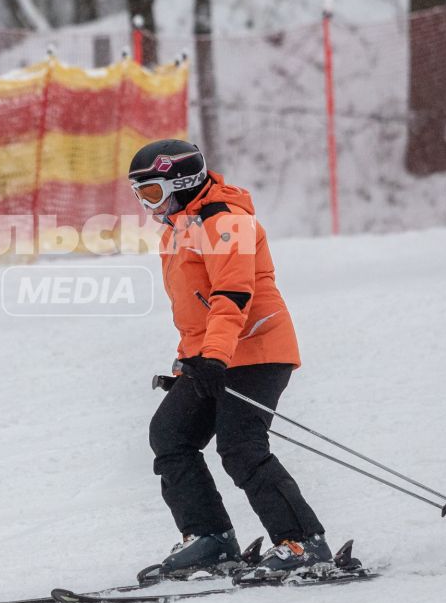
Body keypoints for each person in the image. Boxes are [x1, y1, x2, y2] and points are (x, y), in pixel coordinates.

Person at [128, 138, 331, 577]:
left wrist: (215, 358)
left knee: (240, 446)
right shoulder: (180, 229)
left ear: (180, 183)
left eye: (151, 193)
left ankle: (303, 543)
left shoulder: (226, 222)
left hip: (257, 348)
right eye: (140, 195)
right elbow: (194, 313)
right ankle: (210, 540)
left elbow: (232, 295)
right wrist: (188, 363)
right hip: (217, 354)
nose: (147, 206)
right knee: (170, 434)